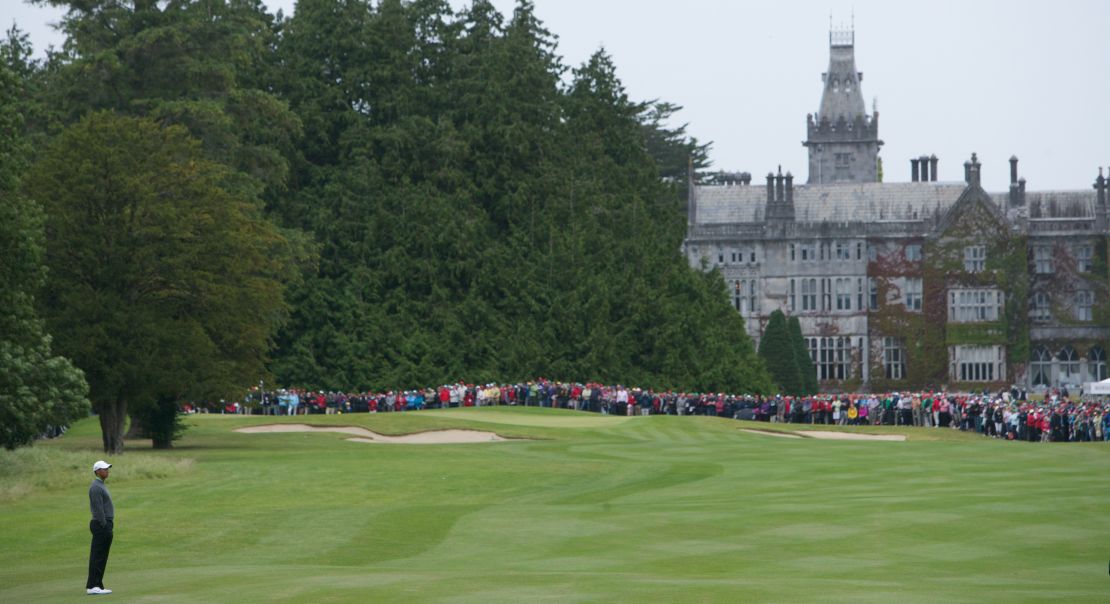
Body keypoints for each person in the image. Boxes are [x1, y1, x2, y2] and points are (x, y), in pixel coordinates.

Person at [87, 460, 115, 595]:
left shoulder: (100, 485)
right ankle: (92, 586)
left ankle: (98, 584)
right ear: (97, 471)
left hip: (105, 524)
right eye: (104, 469)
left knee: (102, 556)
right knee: (97, 556)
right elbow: (98, 510)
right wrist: (104, 525)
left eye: (107, 469)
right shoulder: (96, 487)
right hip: (100, 525)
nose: (107, 471)